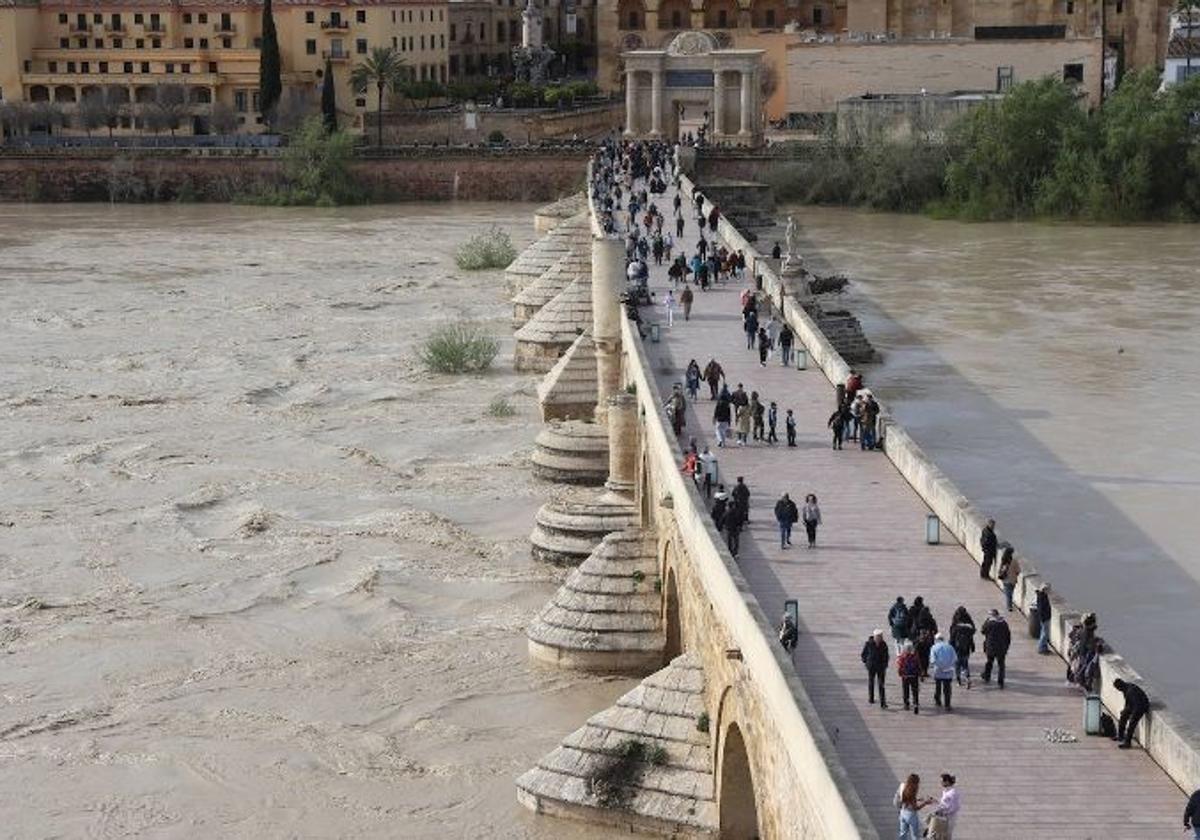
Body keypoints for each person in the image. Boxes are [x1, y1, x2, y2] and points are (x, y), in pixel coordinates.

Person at [1113, 678, 1150, 749]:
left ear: (1120, 687)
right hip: (1133, 704)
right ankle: (1120, 735)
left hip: (1141, 706)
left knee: (1132, 724)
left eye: (1118, 689)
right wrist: (1125, 711)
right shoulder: (1126, 688)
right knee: (1123, 716)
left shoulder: (1131, 691)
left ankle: (1127, 742)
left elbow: (1137, 706)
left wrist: (1132, 715)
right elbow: (1128, 702)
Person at [894, 774, 933, 840]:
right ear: (915, 782)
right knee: (915, 835)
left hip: (902, 813)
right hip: (910, 815)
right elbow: (916, 808)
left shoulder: (903, 787)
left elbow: (906, 799)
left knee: (903, 834)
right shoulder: (911, 791)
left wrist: (917, 799)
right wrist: (926, 803)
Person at [980, 608, 1011, 688]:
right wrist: (1007, 646)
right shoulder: (1004, 623)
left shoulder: (989, 623)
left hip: (991, 647)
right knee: (1001, 665)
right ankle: (1001, 682)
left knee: (989, 662)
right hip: (1001, 647)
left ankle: (987, 676)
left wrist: (987, 621)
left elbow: (982, 631)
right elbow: (1008, 636)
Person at [949, 606, 976, 689]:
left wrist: (950, 646)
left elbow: (952, 636)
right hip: (966, 647)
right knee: (965, 663)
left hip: (957, 648)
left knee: (957, 664)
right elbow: (972, 634)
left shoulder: (956, 625)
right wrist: (972, 647)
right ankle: (967, 677)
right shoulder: (968, 626)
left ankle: (959, 680)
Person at [861, 629, 889, 708]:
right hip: (872, 666)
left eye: (881, 637)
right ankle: (871, 698)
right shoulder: (868, 644)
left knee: (881, 684)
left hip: (881, 667)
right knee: (871, 682)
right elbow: (863, 654)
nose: (879, 638)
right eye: (878, 637)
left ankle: (883, 702)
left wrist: (885, 664)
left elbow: (886, 656)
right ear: (874, 637)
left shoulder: (884, 645)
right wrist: (866, 663)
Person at [930, 632, 957, 711]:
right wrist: (948, 666)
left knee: (938, 687)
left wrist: (939, 666)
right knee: (947, 688)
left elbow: (932, 660)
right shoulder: (950, 647)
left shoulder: (934, 647)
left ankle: (938, 701)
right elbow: (955, 658)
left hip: (938, 671)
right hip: (948, 671)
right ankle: (947, 705)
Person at [931, 774, 960, 840]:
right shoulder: (946, 791)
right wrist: (936, 801)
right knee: (939, 836)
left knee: (946, 836)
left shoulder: (952, 793)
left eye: (942, 781)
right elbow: (944, 803)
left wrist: (942, 809)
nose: (941, 783)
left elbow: (953, 807)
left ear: (947, 781)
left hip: (948, 818)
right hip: (943, 816)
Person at [897, 640, 921, 713]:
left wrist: (900, 673)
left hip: (905, 676)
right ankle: (915, 703)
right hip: (914, 676)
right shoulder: (915, 656)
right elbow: (918, 665)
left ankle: (906, 703)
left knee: (905, 690)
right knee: (915, 691)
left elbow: (900, 665)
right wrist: (920, 674)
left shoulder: (903, 656)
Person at [998, 545, 1020, 612]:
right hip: (1012, 580)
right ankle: (1009, 606)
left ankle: (1009, 606)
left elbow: (1000, 570)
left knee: (1008, 593)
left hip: (1005, 579)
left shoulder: (1003, 560)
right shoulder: (1014, 561)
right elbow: (1018, 571)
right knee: (1010, 593)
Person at [1036, 584, 1052, 654]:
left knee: (1044, 633)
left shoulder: (1042, 596)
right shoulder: (1042, 597)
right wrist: (1043, 618)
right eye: (1048, 589)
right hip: (1045, 618)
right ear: (1044, 590)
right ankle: (1041, 648)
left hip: (1045, 617)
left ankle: (1044, 647)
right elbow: (1041, 609)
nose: (1049, 591)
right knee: (1044, 634)